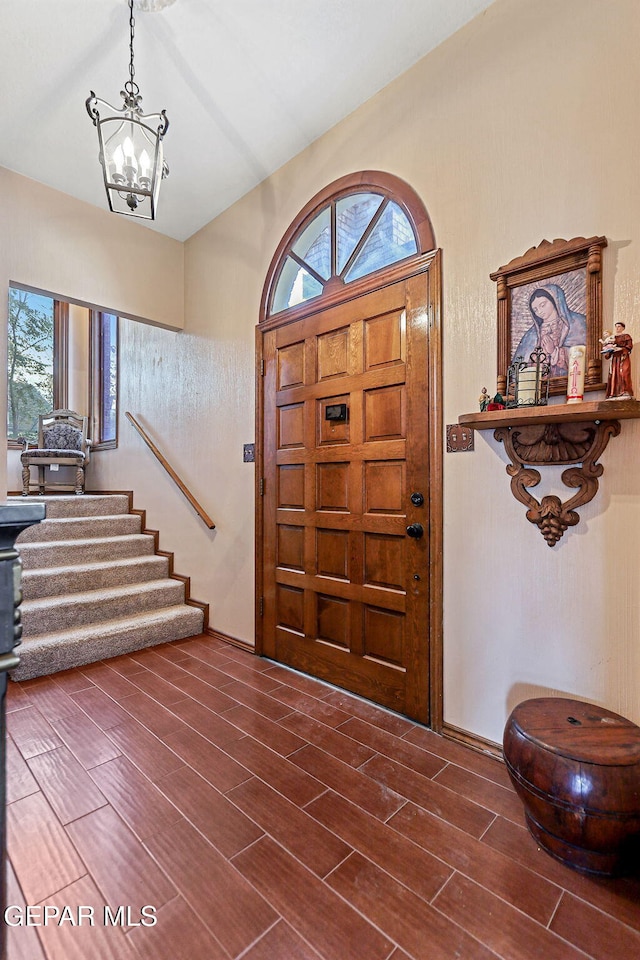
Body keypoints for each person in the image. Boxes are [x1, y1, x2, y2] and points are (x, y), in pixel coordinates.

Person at [513, 284, 587, 377]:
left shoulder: (577, 323)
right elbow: (520, 368)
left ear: (554, 300)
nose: (539, 311)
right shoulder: (532, 335)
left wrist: (554, 352)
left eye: (543, 305)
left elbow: (584, 356)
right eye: (535, 310)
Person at [605, 321, 634, 399]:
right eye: (616, 327)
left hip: (623, 357)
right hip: (614, 358)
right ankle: (614, 393)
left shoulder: (626, 336)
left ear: (623, 328)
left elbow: (629, 346)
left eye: (619, 326)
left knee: (624, 373)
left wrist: (620, 349)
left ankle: (625, 391)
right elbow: (608, 347)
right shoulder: (612, 337)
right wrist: (608, 351)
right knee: (614, 374)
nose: (617, 328)